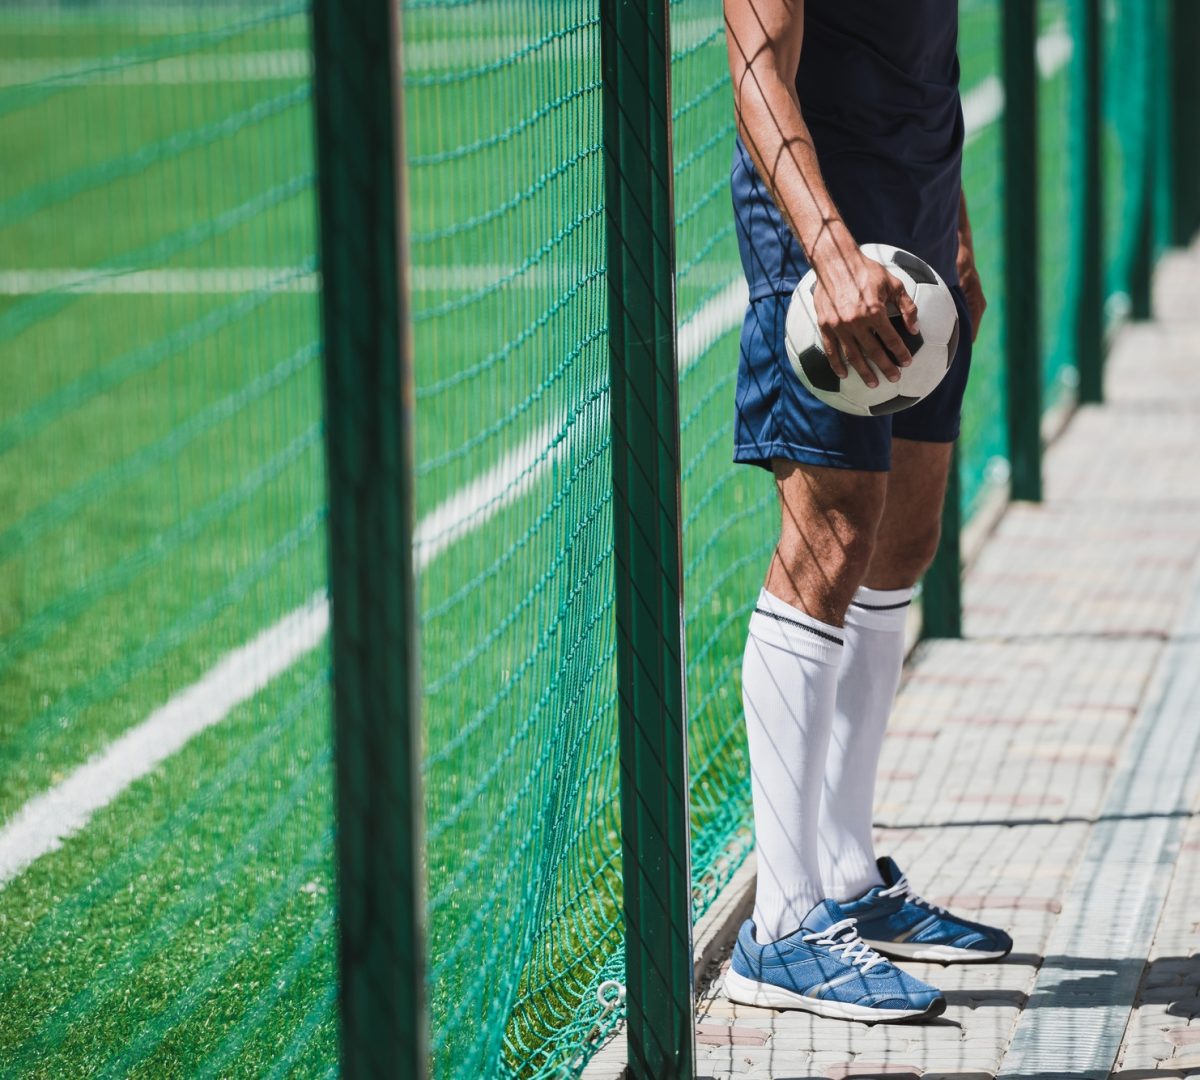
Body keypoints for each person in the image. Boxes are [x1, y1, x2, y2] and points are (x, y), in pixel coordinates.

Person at [721, 0, 1012, 1022]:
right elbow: (757, 67)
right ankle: (784, 925)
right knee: (830, 538)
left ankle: (847, 880)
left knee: (906, 540)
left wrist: (957, 233)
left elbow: (927, 57)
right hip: (823, 238)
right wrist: (832, 254)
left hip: (920, 229)